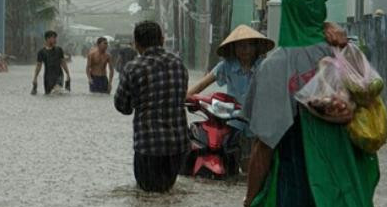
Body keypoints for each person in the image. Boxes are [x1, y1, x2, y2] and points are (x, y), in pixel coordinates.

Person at [242, 0, 387, 207]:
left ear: (287, 13)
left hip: (294, 204)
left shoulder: (274, 66)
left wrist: (250, 202)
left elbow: (263, 147)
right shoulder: (347, 55)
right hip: (343, 202)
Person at [113, 20, 188, 192]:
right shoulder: (179, 64)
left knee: (147, 197)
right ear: (162, 40)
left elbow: (122, 106)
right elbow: (181, 96)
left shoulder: (133, 68)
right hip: (177, 146)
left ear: (137, 44)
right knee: (167, 194)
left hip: (148, 146)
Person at [186, 24, 274, 111]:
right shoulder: (227, 65)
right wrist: (184, 98)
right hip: (233, 119)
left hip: (257, 118)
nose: (246, 49)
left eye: (250, 44)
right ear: (234, 48)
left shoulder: (264, 66)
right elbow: (202, 84)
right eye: (240, 45)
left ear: (256, 47)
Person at [31, 30, 71, 95]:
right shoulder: (41, 52)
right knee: (48, 95)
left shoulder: (59, 50)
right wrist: (35, 78)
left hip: (59, 76)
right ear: (47, 39)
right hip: (48, 77)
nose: (55, 40)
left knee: (57, 92)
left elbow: (63, 63)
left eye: (56, 38)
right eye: (53, 38)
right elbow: (38, 66)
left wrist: (68, 74)